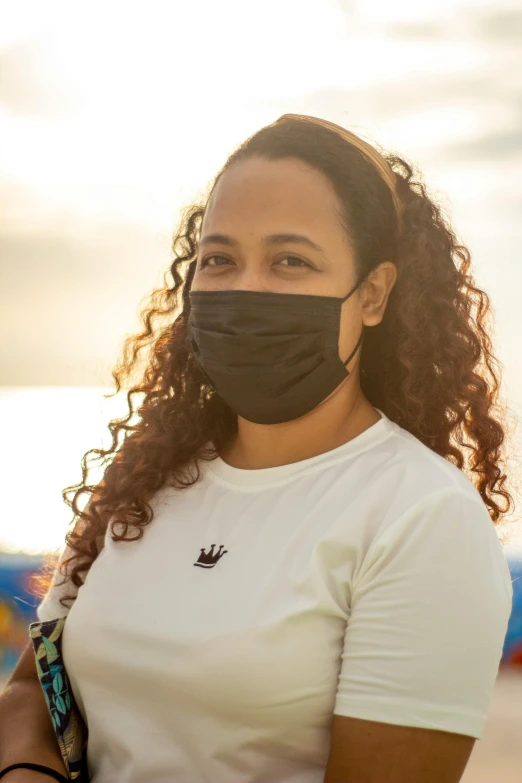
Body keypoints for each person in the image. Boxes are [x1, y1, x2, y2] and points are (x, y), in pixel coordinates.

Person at [0, 113, 515, 783]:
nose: (246, 288)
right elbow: (33, 689)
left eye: (289, 260)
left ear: (375, 294)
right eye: (219, 259)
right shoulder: (141, 480)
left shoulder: (420, 516)